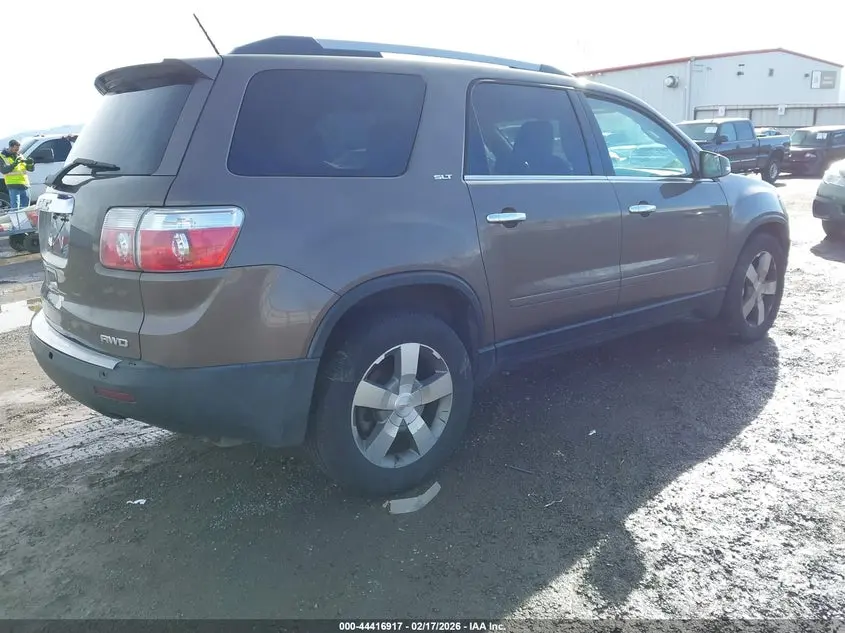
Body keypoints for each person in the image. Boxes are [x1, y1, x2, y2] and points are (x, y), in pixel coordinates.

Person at [1, 140, 35, 209]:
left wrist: (31, 164)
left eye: (18, 149)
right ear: (10, 147)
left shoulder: (20, 155)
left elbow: (30, 169)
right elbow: (3, 170)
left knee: (26, 208)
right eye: (16, 149)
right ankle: (15, 220)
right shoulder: (2, 156)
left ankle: (24, 220)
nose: (17, 151)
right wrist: (14, 164)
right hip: (13, 185)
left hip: (24, 185)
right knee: (15, 208)